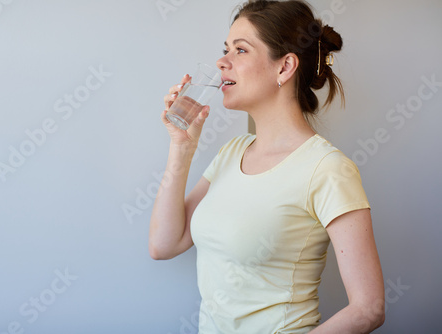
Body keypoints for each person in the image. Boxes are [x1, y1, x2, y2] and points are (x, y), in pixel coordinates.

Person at [149, 0, 385, 332]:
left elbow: (369, 308)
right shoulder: (233, 151)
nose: (222, 61)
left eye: (240, 50)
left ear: (285, 67)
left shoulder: (328, 169)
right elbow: (164, 244)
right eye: (225, 49)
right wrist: (181, 146)